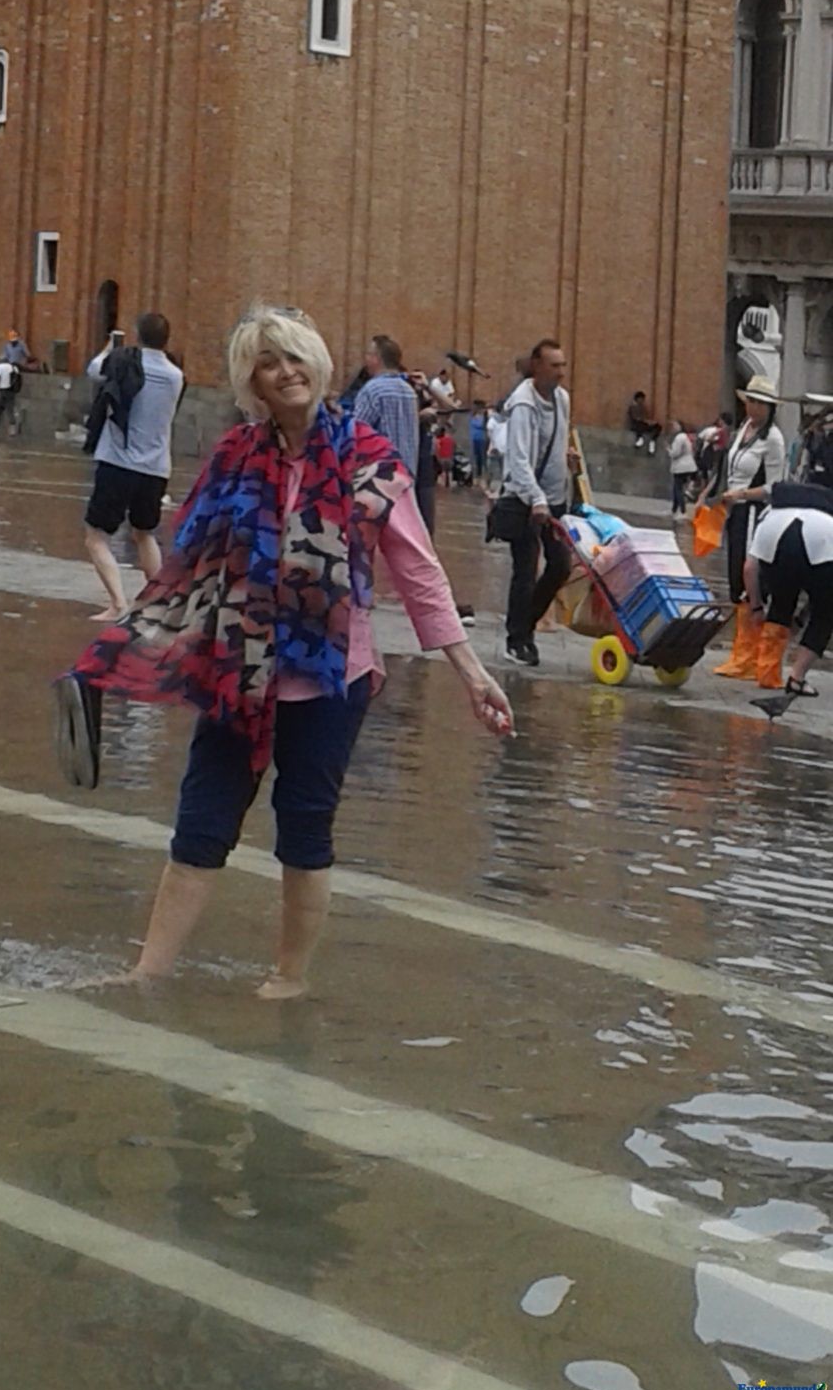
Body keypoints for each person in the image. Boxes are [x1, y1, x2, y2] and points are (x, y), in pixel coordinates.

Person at [54, 303, 514, 998]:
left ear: (318, 365)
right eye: (268, 362)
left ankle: (289, 977)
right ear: (253, 382)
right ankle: (147, 973)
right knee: (201, 820)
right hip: (239, 670)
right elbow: (190, 566)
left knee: (304, 826)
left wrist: (471, 673)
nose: (285, 371)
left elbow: (419, 572)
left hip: (333, 679)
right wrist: (124, 648)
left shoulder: (370, 460)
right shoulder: (234, 456)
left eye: (294, 357)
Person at [83, 310, 185, 621]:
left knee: (96, 534)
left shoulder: (123, 362)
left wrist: (109, 347)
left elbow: (93, 371)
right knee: (144, 533)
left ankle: (117, 603)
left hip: (117, 461)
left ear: (138, 336)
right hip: (155, 467)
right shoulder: (176, 376)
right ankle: (156, 601)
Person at [701, 375, 787, 681]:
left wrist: (741, 495)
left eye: (759, 402)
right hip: (734, 510)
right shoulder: (742, 432)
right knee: (736, 576)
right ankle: (741, 652)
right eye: (749, 400)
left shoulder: (772, 439)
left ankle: (750, 654)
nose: (752, 407)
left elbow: (776, 485)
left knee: (750, 577)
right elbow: (728, 468)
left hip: (755, 511)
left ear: (769, 407)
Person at [500, 339, 574, 667]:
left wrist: (566, 460)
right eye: (554, 366)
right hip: (525, 500)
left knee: (561, 565)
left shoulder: (562, 399)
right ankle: (517, 640)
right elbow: (518, 459)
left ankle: (525, 625)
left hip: (555, 499)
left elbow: (557, 439)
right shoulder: (523, 405)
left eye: (563, 365)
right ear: (537, 366)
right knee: (525, 568)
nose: (561, 372)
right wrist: (537, 500)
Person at [745, 496, 833, 698]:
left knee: (781, 602)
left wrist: (756, 607)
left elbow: (749, 568)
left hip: (777, 548)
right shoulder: (827, 519)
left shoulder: (768, 516)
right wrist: (804, 618)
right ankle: (797, 678)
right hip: (823, 544)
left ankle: (768, 672)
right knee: (825, 615)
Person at [353, 335, 419, 479]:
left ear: (377, 358)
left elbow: (356, 432)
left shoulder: (372, 390)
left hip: (381, 476)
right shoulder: (409, 390)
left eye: (368, 354)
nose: (366, 359)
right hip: (407, 474)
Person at [667, 418, 697, 517]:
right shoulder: (685, 437)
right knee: (677, 487)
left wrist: (669, 450)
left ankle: (682, 510)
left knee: (678, 489)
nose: (673, 428)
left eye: (675, 425)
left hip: (681, 467)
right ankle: (674, 509)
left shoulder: (679, 437)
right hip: (688, 466)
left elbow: (675, 453)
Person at [0, 355, 19, 434]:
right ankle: (12, 430)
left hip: (1, 390)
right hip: (11, 391)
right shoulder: (13, 367)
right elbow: (17, 379)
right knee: (10, 409)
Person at [485, 405, 508, 495]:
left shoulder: (507, 420)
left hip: (502, 449)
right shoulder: (493, 421)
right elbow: (490, 434)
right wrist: (494, 446)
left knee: (502, 470)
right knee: (493, 470)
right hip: (496, 449)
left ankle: (499, 489)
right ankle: (491, 488)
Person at [469, 402, 487, 486]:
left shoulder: (483, 418)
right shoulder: (472, 416)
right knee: (476, 457)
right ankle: (477, 475)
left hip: (481, 439)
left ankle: (483, 476)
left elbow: (482, 425)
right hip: (474, 438)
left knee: (482, 457)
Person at [435, 423, 456, 487]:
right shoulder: (451, 440)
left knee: (443, 471)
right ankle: (450, 483)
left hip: (442, 458)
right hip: (450, 458)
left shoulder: (441, 440)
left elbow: (437, 447)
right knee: (450, 471)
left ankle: (443, 484)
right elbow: (454, 447)